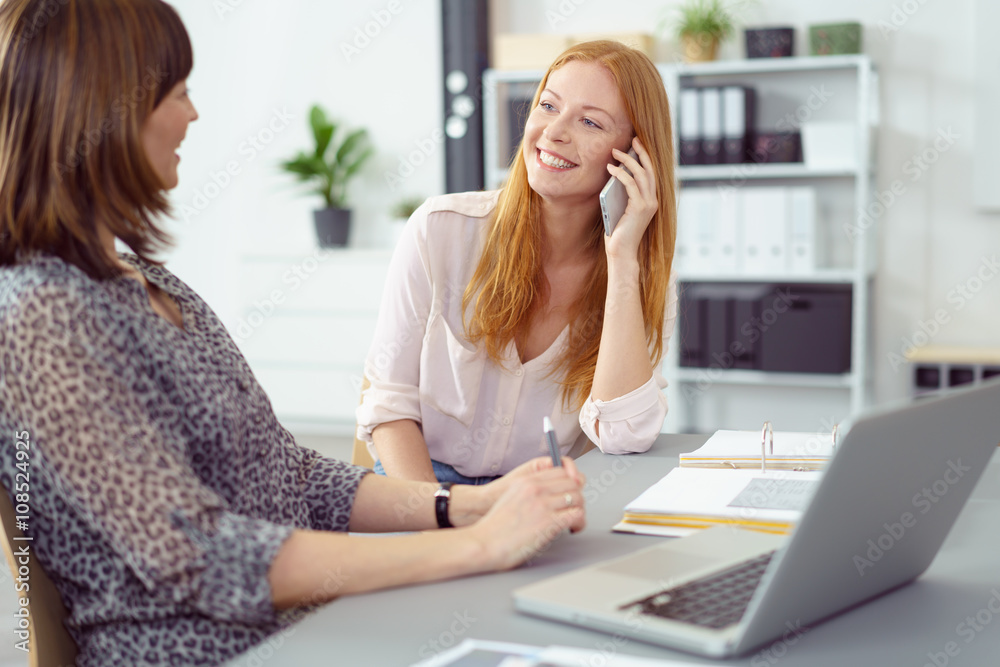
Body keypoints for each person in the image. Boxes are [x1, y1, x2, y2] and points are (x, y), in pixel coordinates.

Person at [0, 1, 586, 665]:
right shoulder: (37, 318)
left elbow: (293, 478)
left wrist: (469, 507)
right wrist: (478, 547)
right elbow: (202, 555)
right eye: (178, 93)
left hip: (303, 630)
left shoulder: (149, 283)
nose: (193, 114)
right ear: (100, 110)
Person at [357, 40, 678, 484]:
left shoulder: (643, 278)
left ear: (635, 157)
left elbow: (624, 436)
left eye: (589, 121)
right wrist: (441, 516)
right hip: (424, 482)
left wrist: (623, 262)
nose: (554, 132)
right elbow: (388, 405)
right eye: (548, 106)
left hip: (535, 493)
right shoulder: (441, 231)